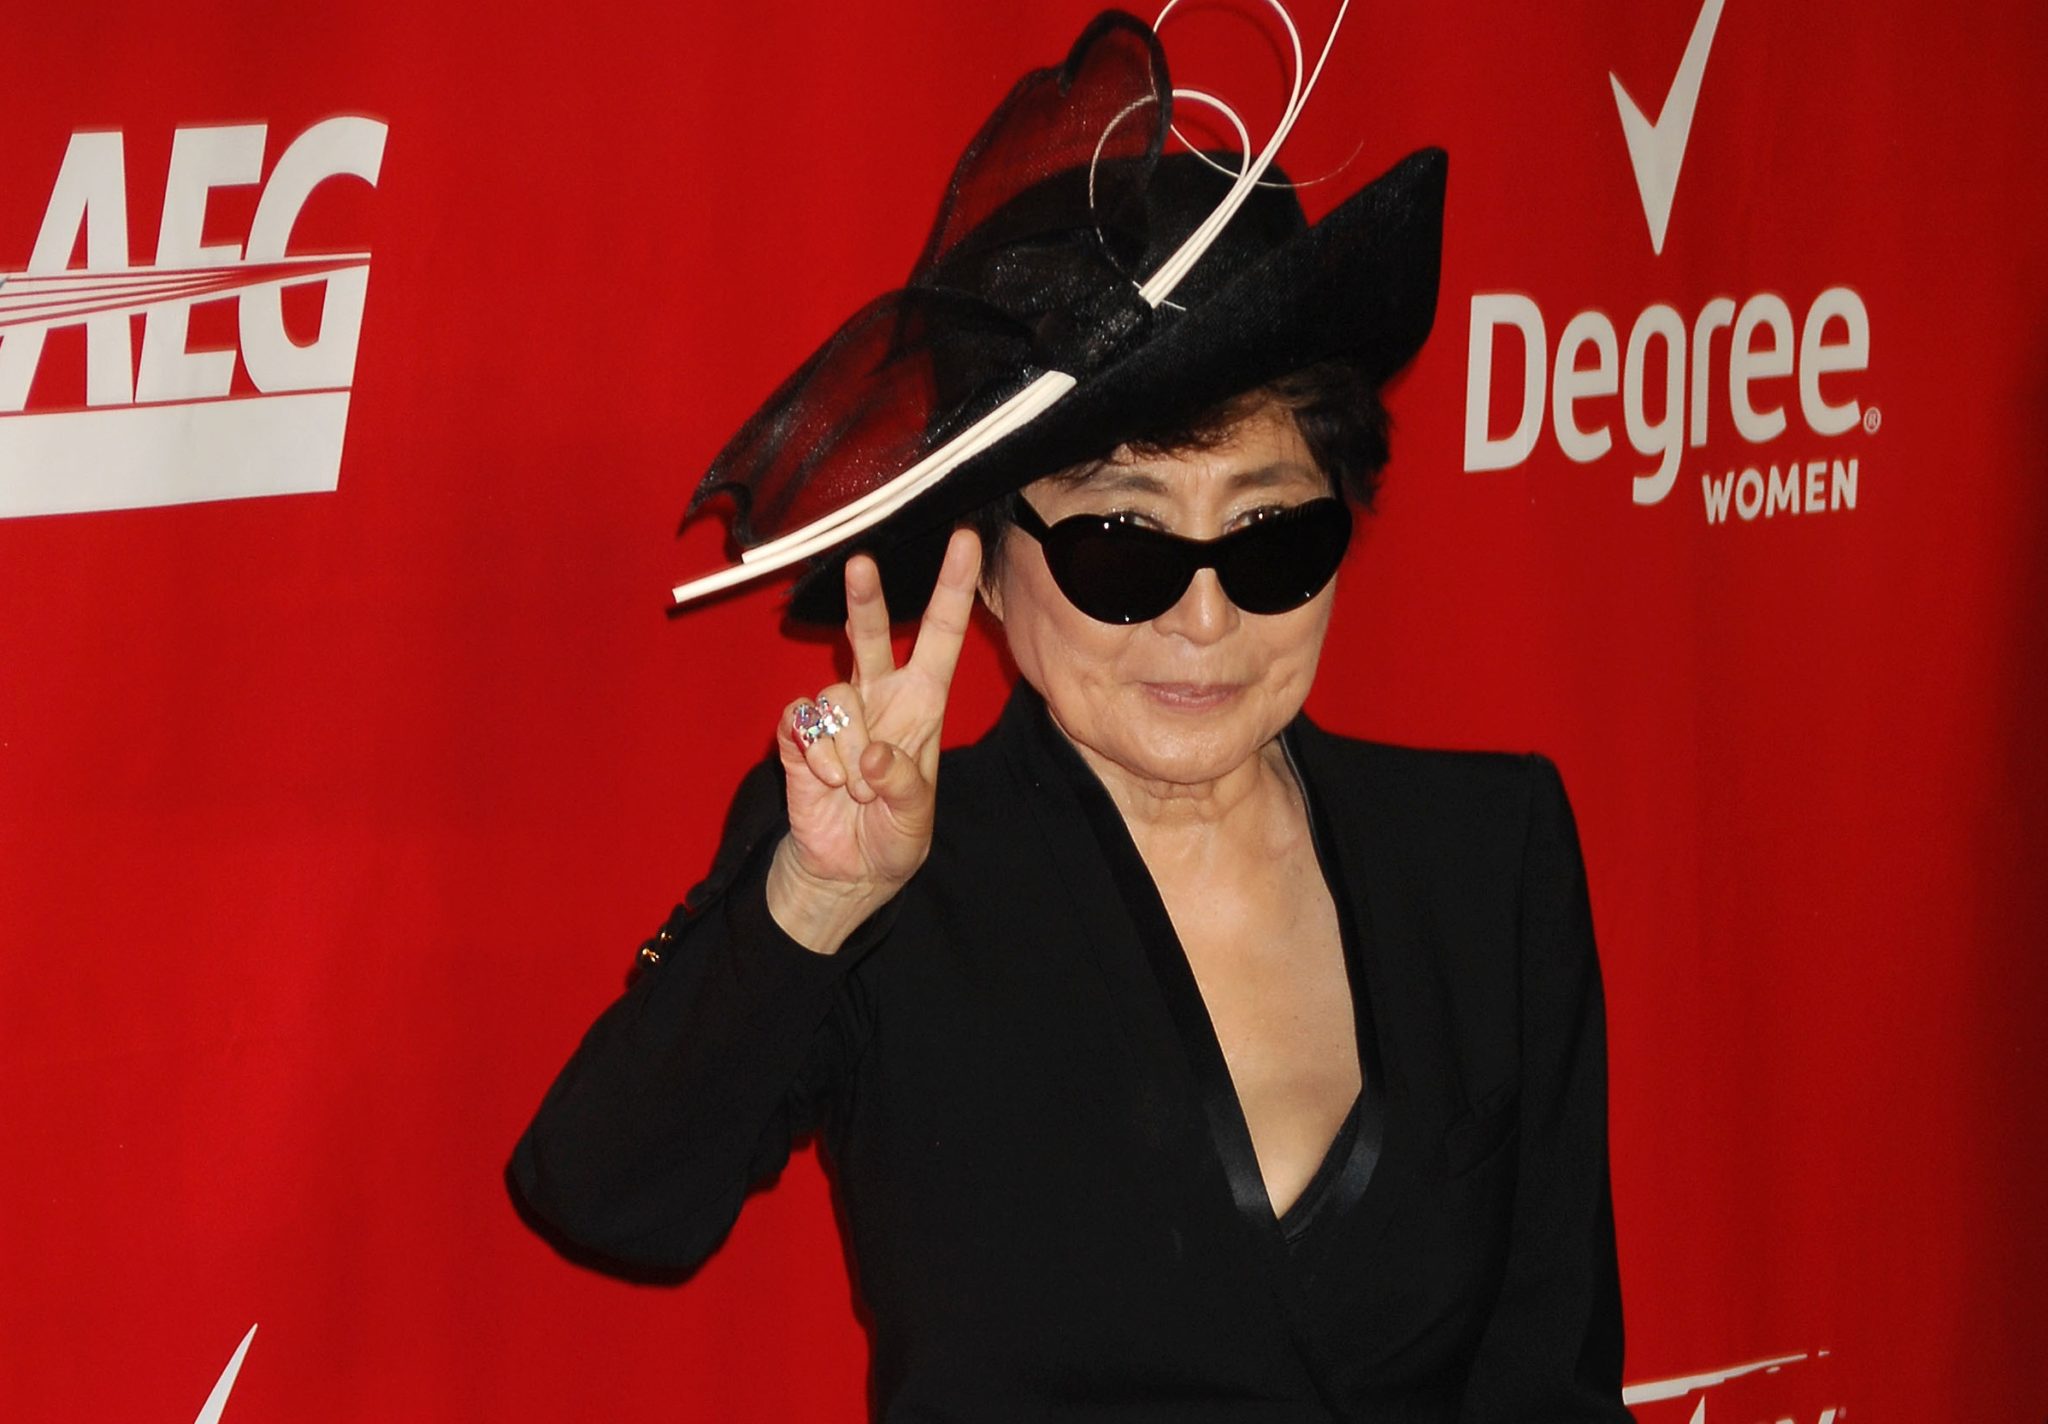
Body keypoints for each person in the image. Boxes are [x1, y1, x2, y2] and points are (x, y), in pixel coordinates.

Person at [513, 11, 1630, 1421]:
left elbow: (1554, 1378)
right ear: (985, 569)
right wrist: (816, 898)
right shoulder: (892, 877)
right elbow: (609, 1198)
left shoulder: (1483, 854)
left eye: (1272, 538)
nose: (1205, 620)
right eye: (1121, 548)